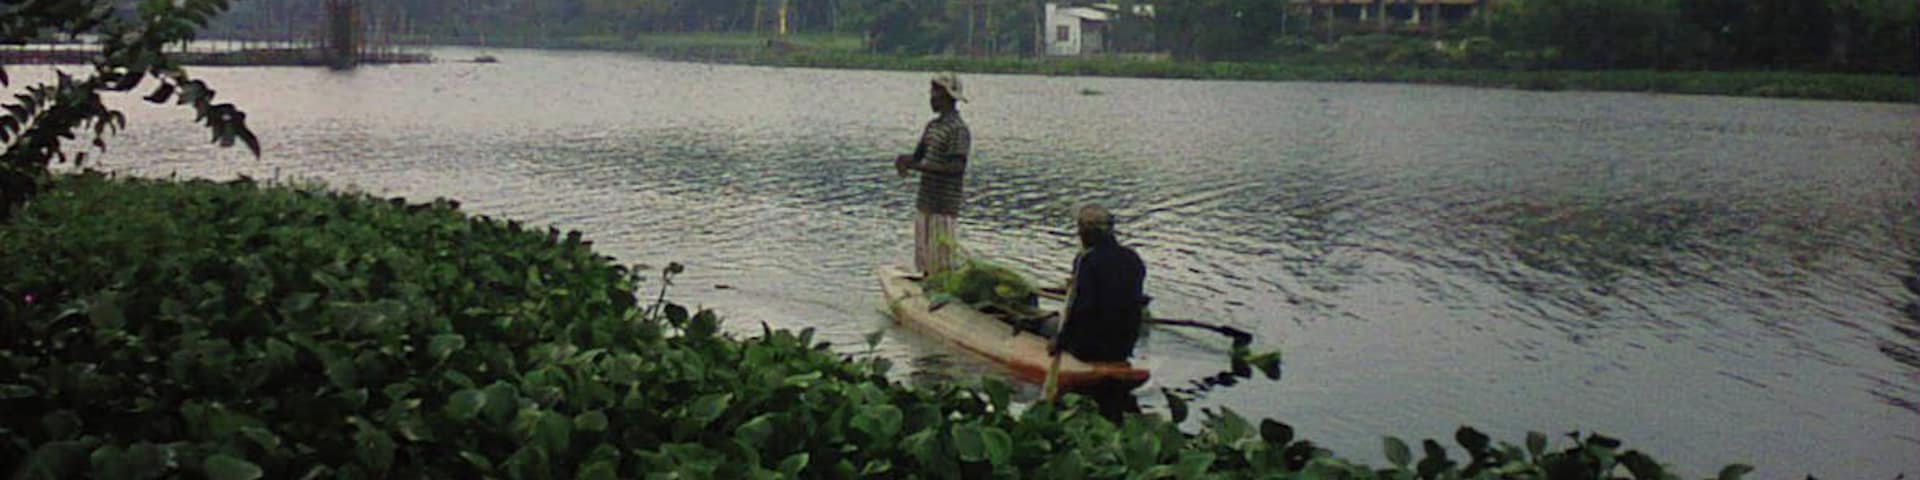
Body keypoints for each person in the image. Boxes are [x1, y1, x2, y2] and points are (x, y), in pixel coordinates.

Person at [1050, 204, 1149, 363]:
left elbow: (1083, 307)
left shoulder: (1086, 260)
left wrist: (1061, 340)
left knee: (1044, 325)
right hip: (1124, 345)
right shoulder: (1132, 258)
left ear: (1083, 233)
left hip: (1090, 347)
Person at [895, 72, 971, 276]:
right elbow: (918, 157)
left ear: (947, 96)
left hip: (943, 206)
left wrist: (917, 167)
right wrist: (904, 161)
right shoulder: (933, 126)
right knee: (925, 259)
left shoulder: (958, 129)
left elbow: (956, 168)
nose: (931, 97)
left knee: (942, 261)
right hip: (926, 202)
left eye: (935, 92)